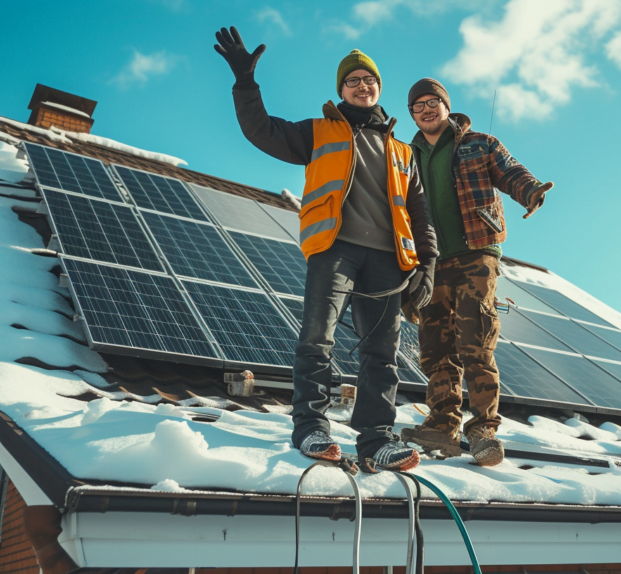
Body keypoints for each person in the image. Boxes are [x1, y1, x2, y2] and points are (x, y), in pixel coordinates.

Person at [214, 27, 438, 472]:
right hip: (334, 249)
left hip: (387, 261)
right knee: (317, 339)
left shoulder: (401, 152)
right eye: (352, 80)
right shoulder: (319, 132)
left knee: (382, 352)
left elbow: (421, 212)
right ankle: (311, 427)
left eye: (369, 80)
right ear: (341, 90)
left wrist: (428, 263)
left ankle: (376, 439)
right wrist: (245, 81)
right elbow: (261, 130)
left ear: (378, 89)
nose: (362, 86)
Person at [401, 78, 552, 466]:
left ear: (446, 106)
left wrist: (531, 190)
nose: (426, 110)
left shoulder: (478, 143)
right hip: (428, 261)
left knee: (475, 338)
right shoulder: (404, 156)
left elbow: (511, 171)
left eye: (433, 102)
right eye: (417, 106)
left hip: (475, 252)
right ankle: (442, 424)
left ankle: (483, 428)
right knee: (434, 345)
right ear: (412, 115)